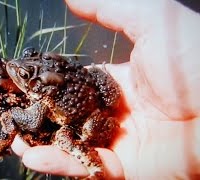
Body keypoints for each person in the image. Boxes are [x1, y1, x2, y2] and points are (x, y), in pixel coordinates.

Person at [11, 0, 200, 179]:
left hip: (89, 116)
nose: (13, 66)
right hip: (90, 85)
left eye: (25, 74)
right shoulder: (46, 87)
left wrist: (12, 113)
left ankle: (95, 151)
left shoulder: (43, 98)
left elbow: (33, 122)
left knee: (75, 135)